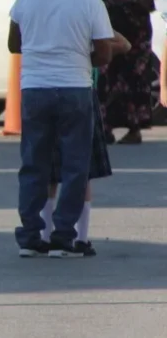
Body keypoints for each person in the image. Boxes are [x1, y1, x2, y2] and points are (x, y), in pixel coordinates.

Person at [8, 0, 130, 258]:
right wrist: (76, 57)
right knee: (75, 166)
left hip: (34, 88)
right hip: (75, 89)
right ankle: (64, 237)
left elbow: (14, 43)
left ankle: (30, 237)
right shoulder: (88, 1)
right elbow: (103, 54)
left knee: (33, 163)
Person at [42, 34, 131, 257]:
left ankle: (43, 237)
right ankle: (79, 238)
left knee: (50, 171)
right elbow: (125, 44)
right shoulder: (88, 24)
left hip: (46, 88)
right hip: (81, 91)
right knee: (82, 170)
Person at [98, 0, 167, 145]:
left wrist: (141, 2)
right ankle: (106, 126)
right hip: (113, 24)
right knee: (109, 74)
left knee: (132, 77)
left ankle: (134, 129)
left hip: (134, 28)